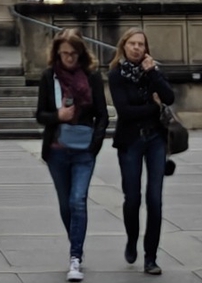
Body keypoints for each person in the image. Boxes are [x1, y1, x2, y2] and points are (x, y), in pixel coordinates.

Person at [34, 30, 109, 283]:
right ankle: (76, 243)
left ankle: (74, 256)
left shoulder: (92, 77)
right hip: (57, 151)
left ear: (80, 54)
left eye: (72, 54)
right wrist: (58, 116)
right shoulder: (48, 77)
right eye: (64, 53)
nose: (68, 58)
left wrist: (94, 146)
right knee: (66, 205)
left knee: (78, 201)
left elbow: (103, 115)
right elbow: (40, 114)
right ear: (57, 53)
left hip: (83, 150)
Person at [108, 26, 177, 275]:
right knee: (132, 198)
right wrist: (153, 107)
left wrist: (153, 75)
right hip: (130, 141)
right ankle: (131, 238)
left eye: (141, 44)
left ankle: (151, 257)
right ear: (124, 47)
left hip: (155, 140)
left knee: (155, 200)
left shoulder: (152, 72)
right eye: (132, 44)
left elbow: (169, 97)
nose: (137, 48)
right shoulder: (116, 74)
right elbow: (125, 111)